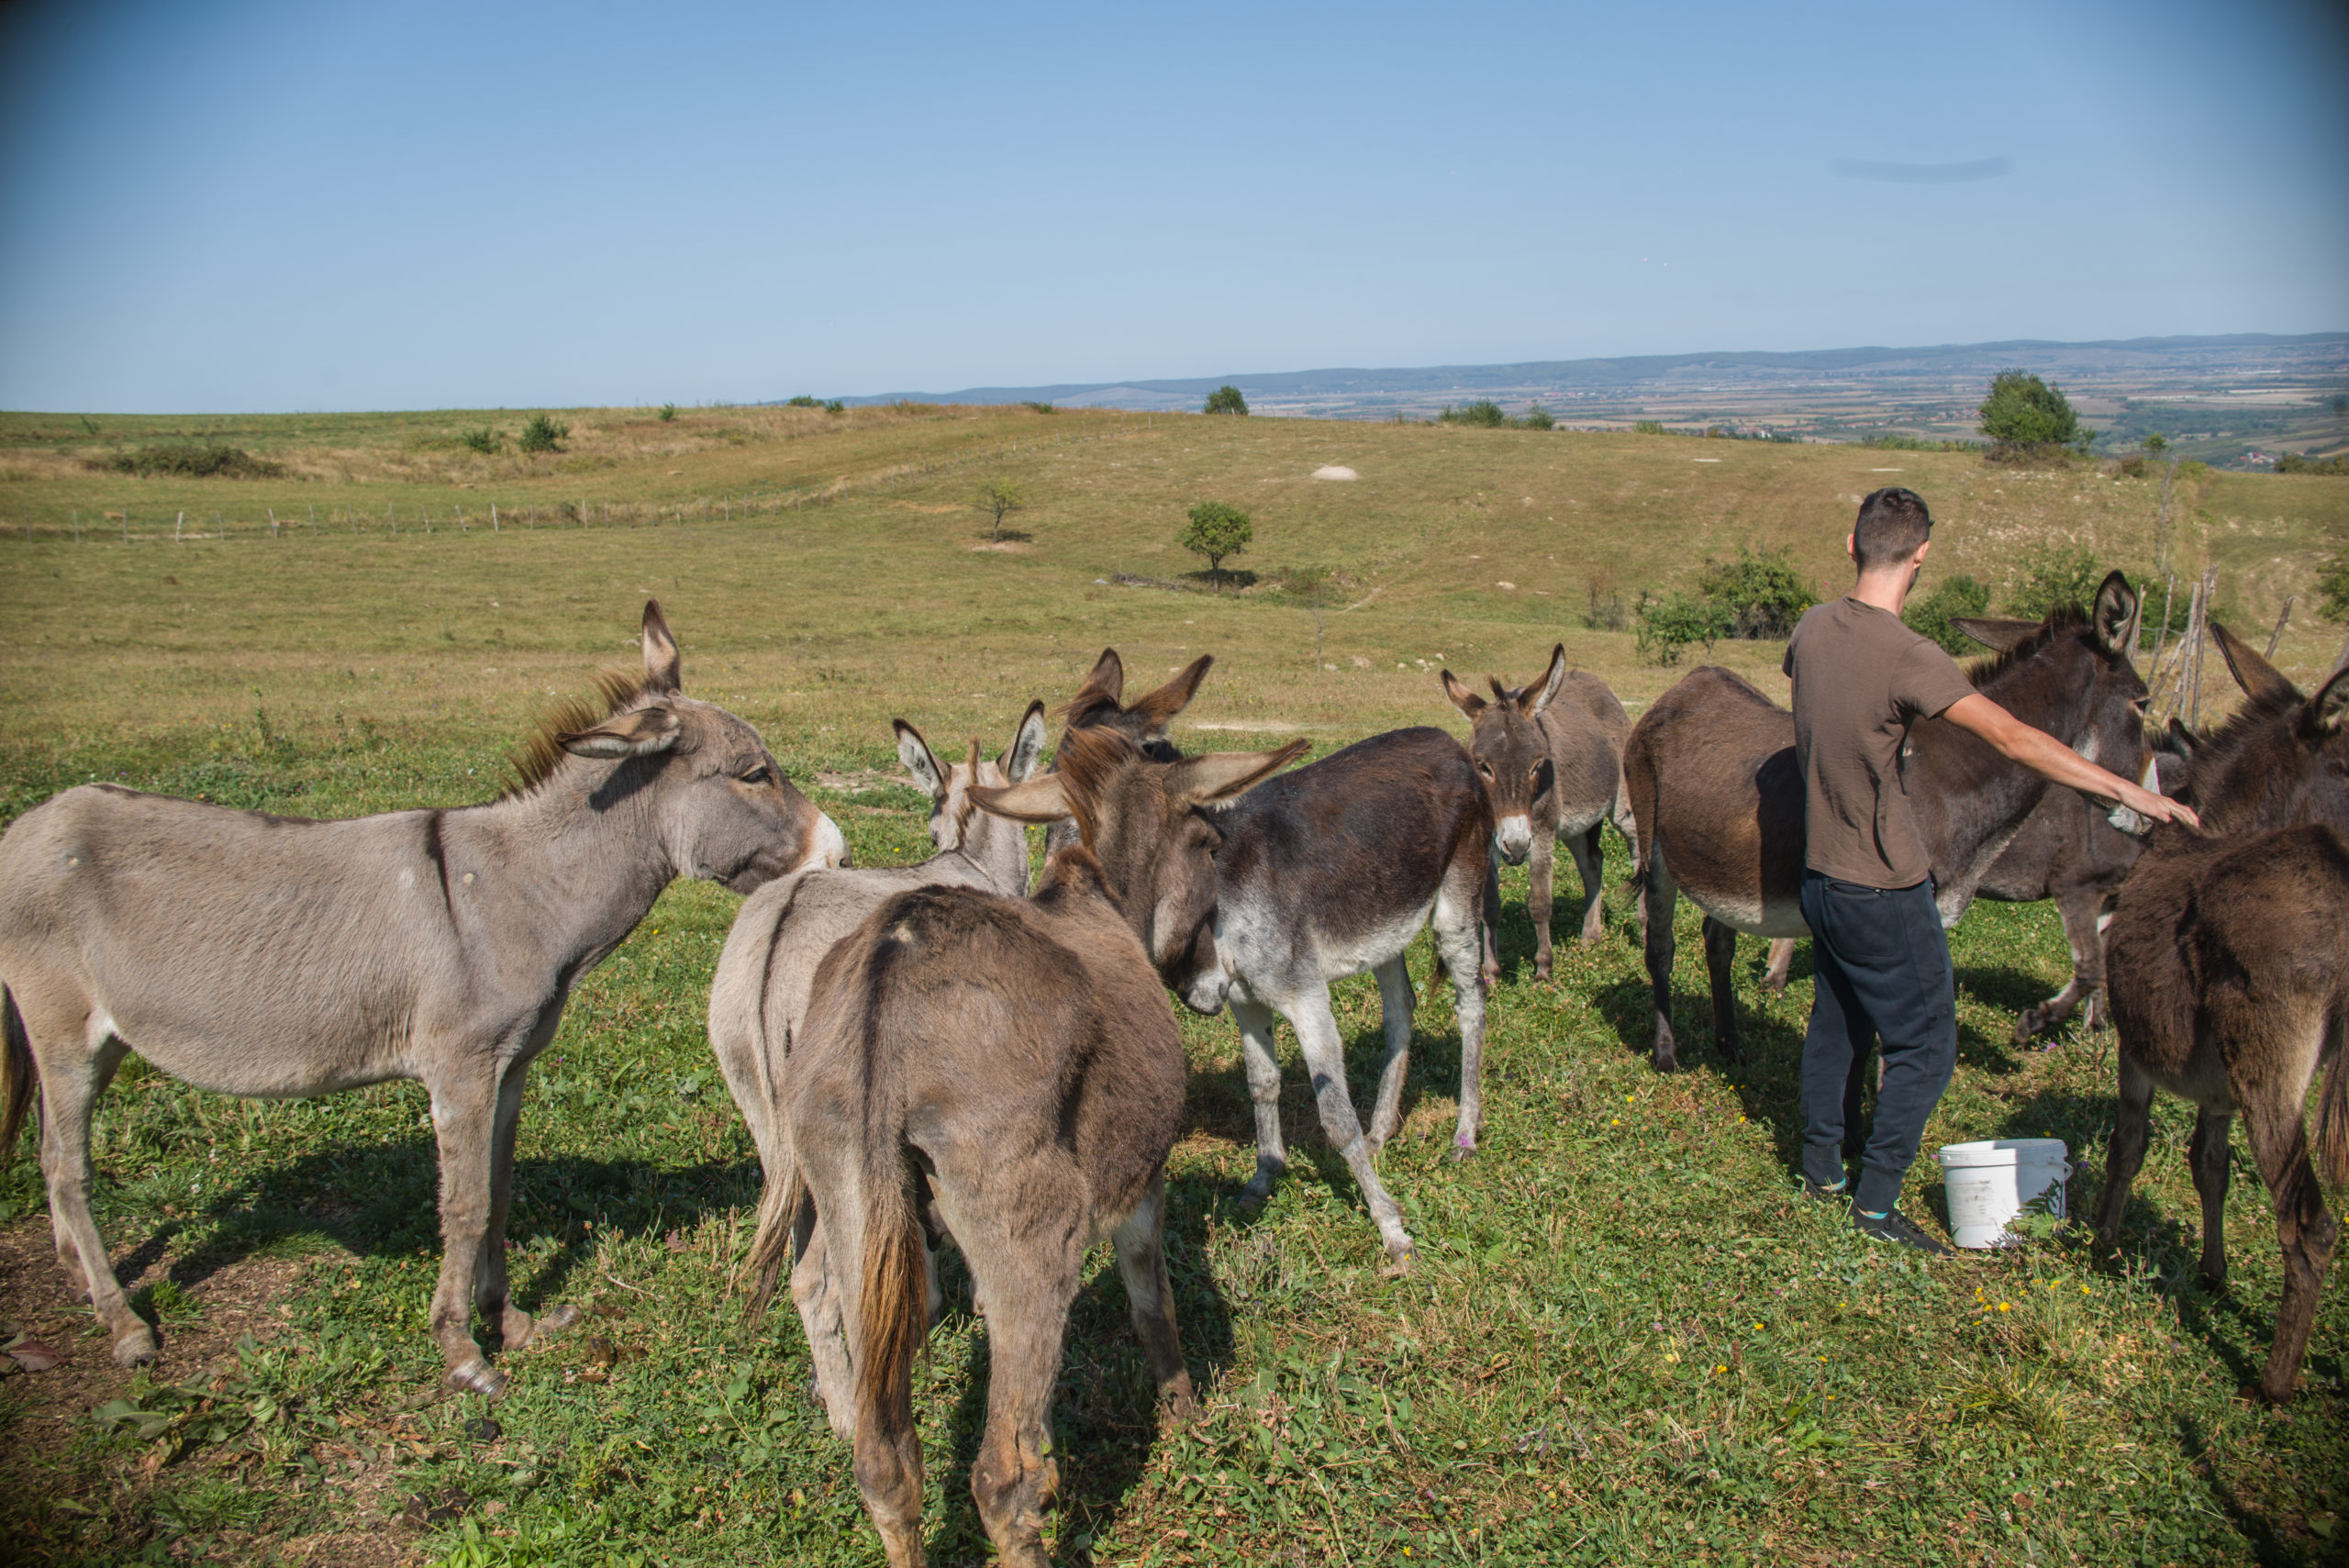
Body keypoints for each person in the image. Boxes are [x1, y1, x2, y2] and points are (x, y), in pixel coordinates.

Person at [1782, 486, 2197, 1253]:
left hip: (1819, 876)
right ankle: (1874, 1203)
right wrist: (2129, 789)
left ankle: (1819, 1172)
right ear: (1921, 557)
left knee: (1837, 1022)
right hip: (1883, 883)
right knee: (1929, 1045)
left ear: (1851, 545)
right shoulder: (1908, 654)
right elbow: (2011, 737)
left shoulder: (1809, 630)